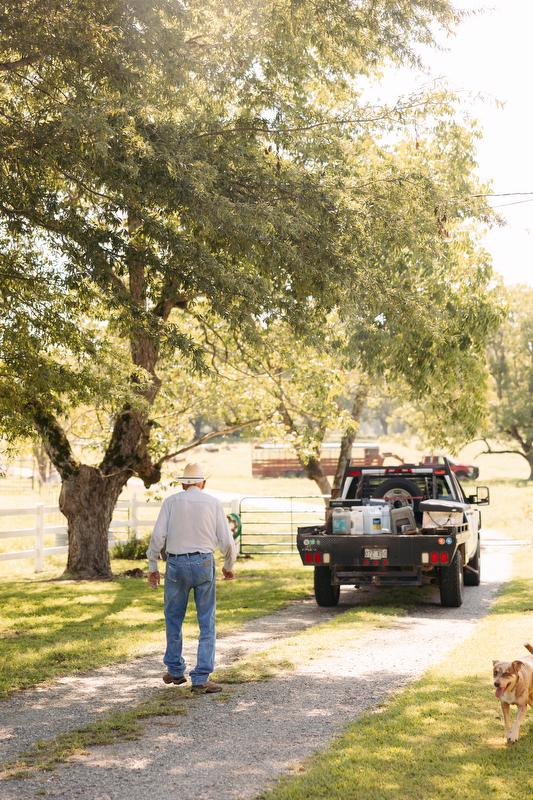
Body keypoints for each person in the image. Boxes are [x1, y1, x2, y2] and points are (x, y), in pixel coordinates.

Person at [147, 462, 236, 694]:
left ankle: (175, 670)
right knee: (207, 620)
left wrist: (153, 565)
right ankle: (201, 677)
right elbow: (227, 541)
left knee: (173, 617)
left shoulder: (171, 502)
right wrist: (228, 566)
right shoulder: (213, 503)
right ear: (203, 483)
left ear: (183, 483)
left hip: (176, 563)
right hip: (204, 562)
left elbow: (158, 536)